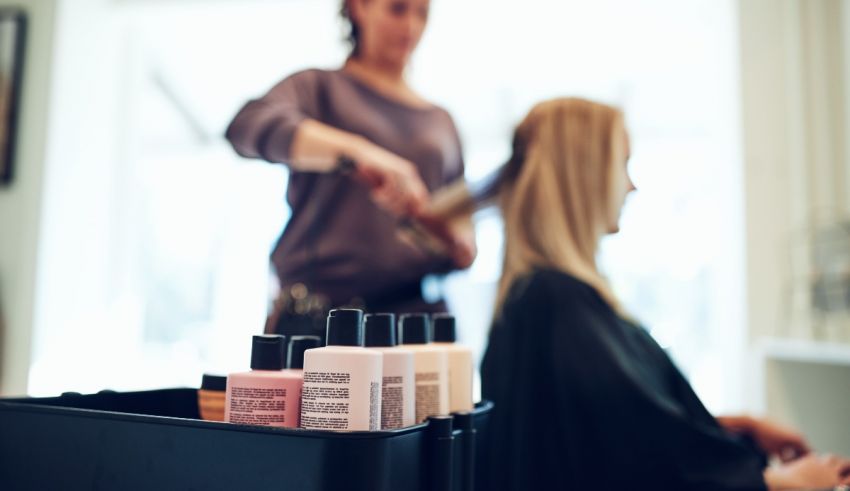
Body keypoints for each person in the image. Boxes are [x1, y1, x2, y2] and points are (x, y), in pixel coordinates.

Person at [480, 98, 850, 490]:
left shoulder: (545, 299)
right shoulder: (556, 303)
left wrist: (733, 426)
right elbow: (635, 464)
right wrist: (781, 482)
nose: (631, 185)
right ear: (583, 173)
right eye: (622, 164)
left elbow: (611, 430)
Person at [225, 0, 475, 334]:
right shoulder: (318, 88)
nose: (412, 26)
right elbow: (246, 127)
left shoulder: (441, 122)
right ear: (359, 7)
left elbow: (464, 247)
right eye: (398, 9)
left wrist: (424, 216)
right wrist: (359, 151)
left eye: (422, 13)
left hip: (414, 320)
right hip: (322, 320)